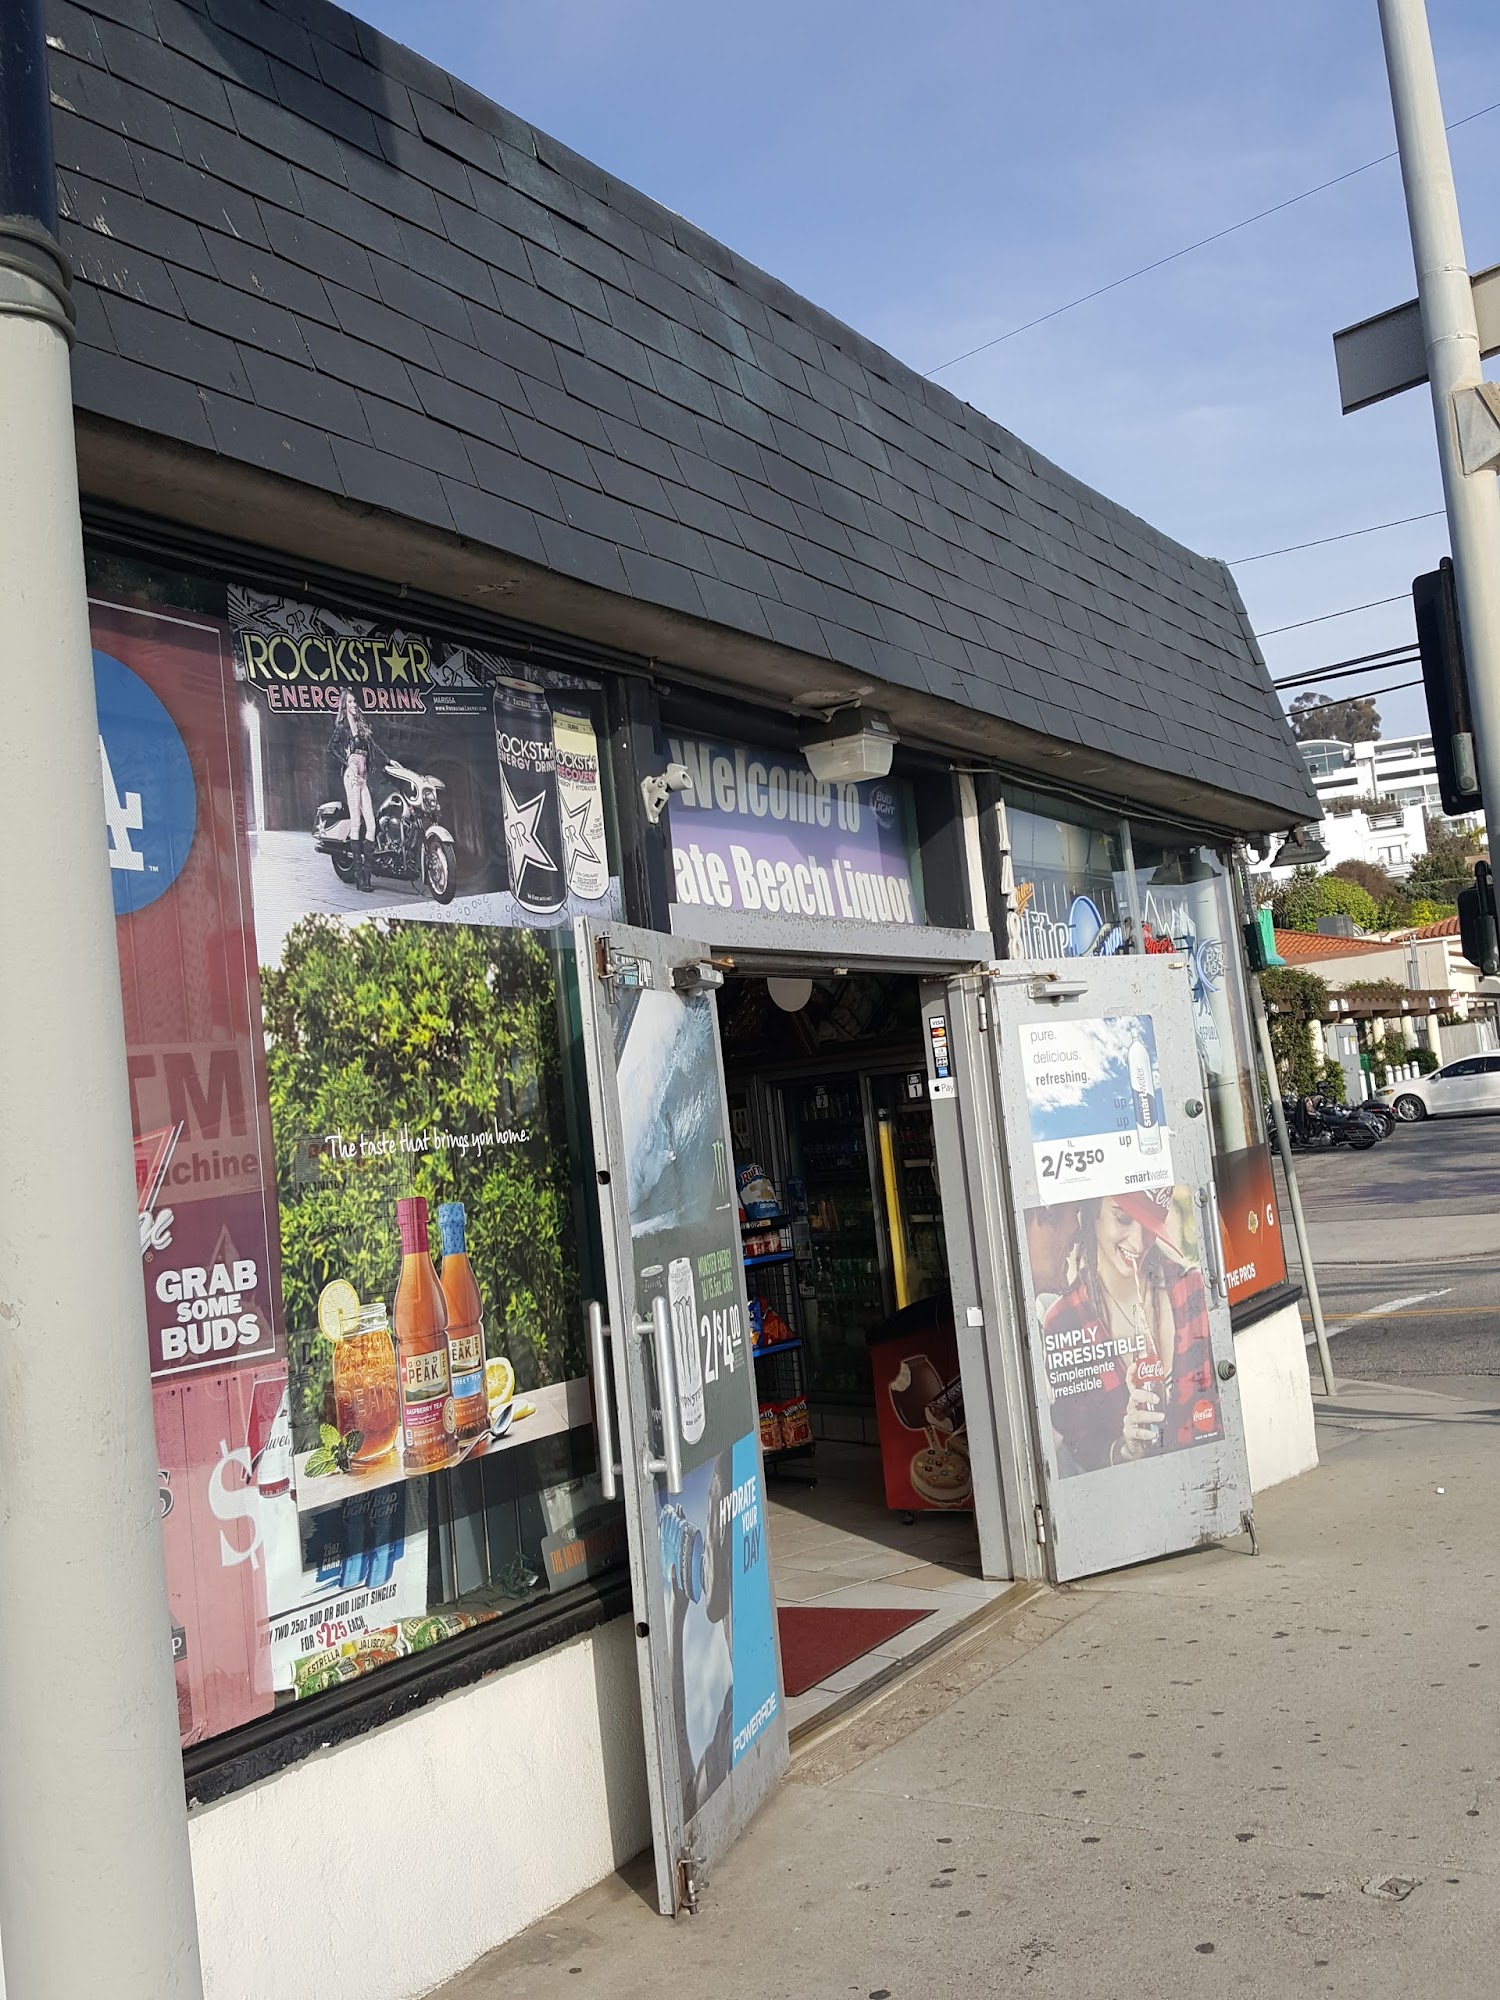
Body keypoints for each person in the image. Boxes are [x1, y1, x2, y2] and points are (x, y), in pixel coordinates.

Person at [1037, 1187, 1221, 1474]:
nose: (1137, 1242)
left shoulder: (1191, 1290)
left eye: (1149, 1226)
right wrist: (1125, 1449)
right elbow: (1080, 1447)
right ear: (1092, 1214)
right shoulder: (1064, 1321)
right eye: (1122, 1219)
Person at [327, 691, 388, 892]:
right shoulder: (342, 727)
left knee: (371, 825)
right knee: (356, 823)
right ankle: (360, 877)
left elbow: (374, 748)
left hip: (363, 779)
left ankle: (366, 874)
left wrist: (389, 761)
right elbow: (331, 748)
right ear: (344, 705)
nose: (354, 704)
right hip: (352, 777)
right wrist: (347, 761)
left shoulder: (362, 727)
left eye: (355, 701)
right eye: (350, 701)